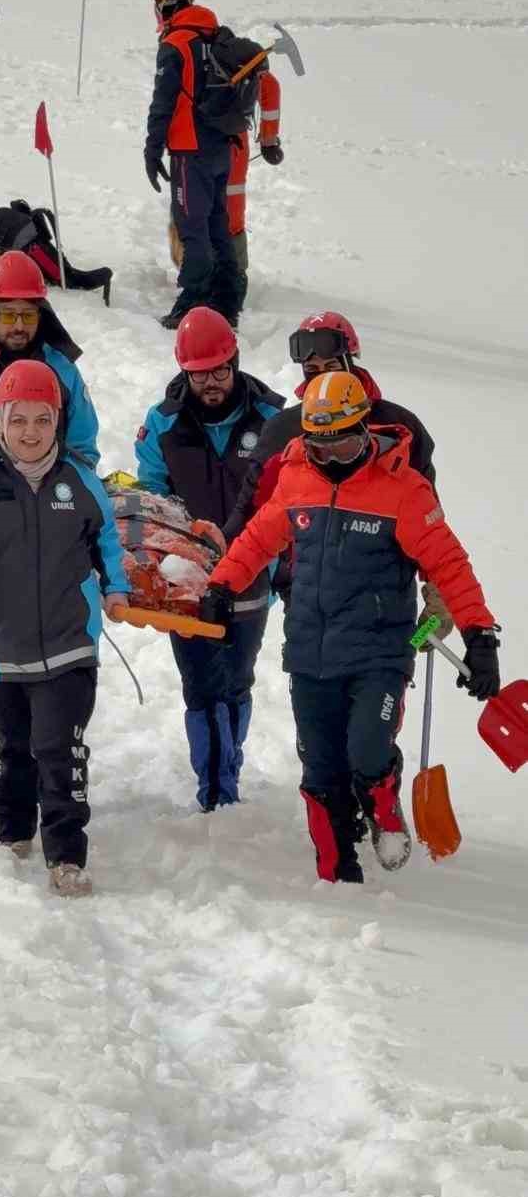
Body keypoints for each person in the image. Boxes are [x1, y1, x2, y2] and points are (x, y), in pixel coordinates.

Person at [201, 371, 501, 883]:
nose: (330, 460)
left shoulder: (403, 489)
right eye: (320, 449)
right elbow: (256, 540)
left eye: (341, 447)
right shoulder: (296, 478)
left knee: (366, 748)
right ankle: (337, 875)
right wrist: (222, 587)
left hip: (379, 654)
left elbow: (449, 564)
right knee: (319, 768)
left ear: (364, 430)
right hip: (310, 651)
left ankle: (383, 806)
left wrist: (480, 637)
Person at [0, 360, 129, 897]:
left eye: (42, 420)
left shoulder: (81, 481)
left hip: (70, 646)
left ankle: (66, 855)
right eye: (18, 420)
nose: (30, 432)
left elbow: (106, 541)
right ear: (0, 419)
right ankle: (14, 831)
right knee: (14, 747)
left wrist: (116, 589)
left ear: (57, 421)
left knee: (58, 747)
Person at [134, 305, 284, 809]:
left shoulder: (273, 419)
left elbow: (291, 499)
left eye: (221, 370)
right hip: (188, 578)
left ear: (235, 362)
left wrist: (280, 566)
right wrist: (172, 560)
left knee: (236, 677)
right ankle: (214, 788)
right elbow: (151, 500)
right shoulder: (163, 424)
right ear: (184, 372)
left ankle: (230, 767)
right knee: (198, 681)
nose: (213, 382)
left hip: (253, 572)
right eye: (200, 374)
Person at [224, 309, 451, 637]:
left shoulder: (399, 429)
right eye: (313, 371)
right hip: (309, 592)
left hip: (384, 596)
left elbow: (428, 519)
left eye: (331, 368)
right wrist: (220, 570)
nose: (323, 380)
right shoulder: (284, 430)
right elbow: (251, 511)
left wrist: (439, 589)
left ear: (351, 363)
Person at [144, 0, 254, 329]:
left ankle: (190, 301)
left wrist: (152, 148)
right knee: (217, 223)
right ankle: (229, 298)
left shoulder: (175, 44)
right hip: (222, 146)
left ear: (162, 5)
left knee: (192, 226)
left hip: (189, 151)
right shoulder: (218, 36)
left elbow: (163, 101)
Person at [168, 40, 283, 304]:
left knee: (191, 209)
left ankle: (199, 276)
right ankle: (232, 276)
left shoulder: (184, 53)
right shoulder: (233, 59)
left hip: (191, 145)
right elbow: (270, 87)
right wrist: (268, 139)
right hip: (232, 141)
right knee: (228, 208)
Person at [0, 250, 101, 465]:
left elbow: (82, 448)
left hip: (46, 484)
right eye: (8, 315)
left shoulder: (62, 370)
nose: (19, 326)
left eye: (28, 315)